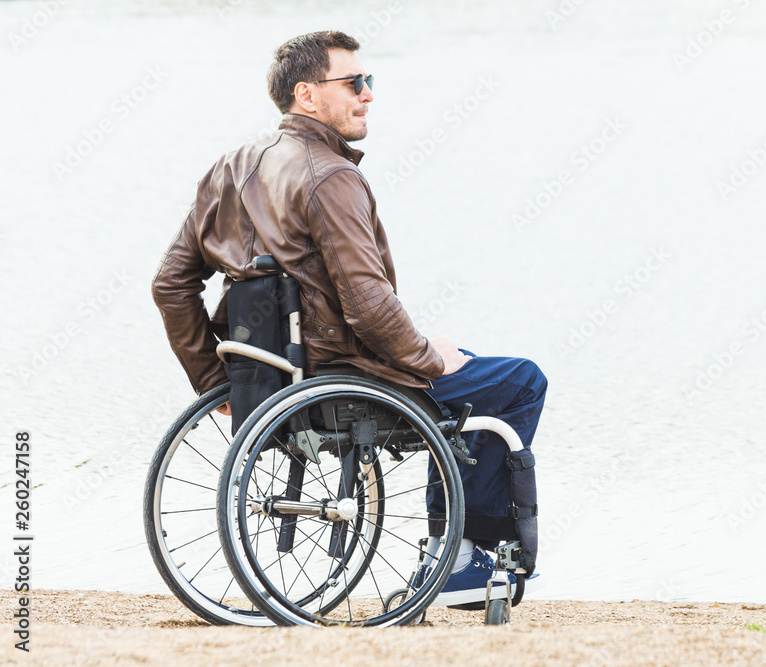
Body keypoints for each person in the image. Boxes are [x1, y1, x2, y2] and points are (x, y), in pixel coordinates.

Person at [151, 30, 546, 600]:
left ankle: (454, 549)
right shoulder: (330, 176)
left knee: (475, 368)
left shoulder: (229, 168)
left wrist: (221, 382)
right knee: (519, 381)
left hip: (274, 381)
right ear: (307, 95)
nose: (367, 94)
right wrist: (429, 358)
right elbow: (367, 304)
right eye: (354, 82)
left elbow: (170, 284)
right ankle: (460, 555)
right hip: (344, 377)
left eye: (369, 81)